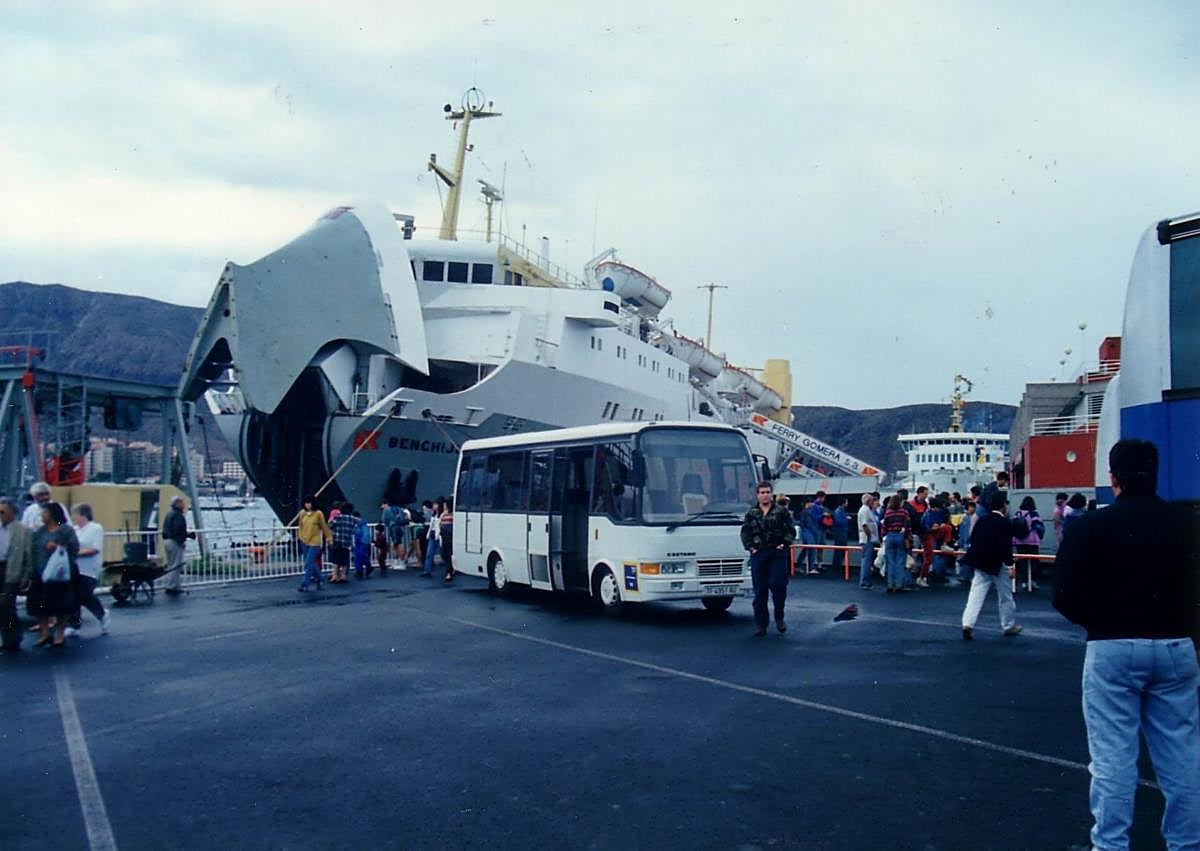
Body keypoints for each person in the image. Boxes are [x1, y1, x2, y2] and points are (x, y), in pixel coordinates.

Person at [1052, 439, 1200, 850]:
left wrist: (1099, 622)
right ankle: (1187, 844)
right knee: (1182, 755)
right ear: (1155, 473)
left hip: (1112, 646)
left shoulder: (1089, 526)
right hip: (1176, 645)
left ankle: (1111, 845)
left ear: (1113, 478)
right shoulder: (1187, 522)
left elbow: (1063, 594)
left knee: (1113, 758)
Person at [959, 489, 1021, 640]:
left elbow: (973, 539)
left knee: (976, 594)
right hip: (998, 564)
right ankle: (1008, 625)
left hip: (981, 562)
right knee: (1005, 596)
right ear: (1003, 507)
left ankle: (968, 623)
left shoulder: (982, 520)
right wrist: (1011, 565)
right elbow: (1005, 547)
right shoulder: (1005, 523)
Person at [741, 481, 796, 637]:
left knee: (777, 585)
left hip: (776, 553)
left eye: (767, 492)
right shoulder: (751, 513)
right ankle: (761, 625)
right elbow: (745, 532)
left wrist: (784, 544)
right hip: (759, 554)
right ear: (757, 495)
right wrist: (750, 547)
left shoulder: (781, 511)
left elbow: (790, 530)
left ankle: (779, 617)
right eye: (762, 492)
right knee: (760, 592)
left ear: (771, 494)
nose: (765, 495)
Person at [27, 502, 79, 648]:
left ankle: (59, 634)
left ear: (52, 514)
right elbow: (33, 550)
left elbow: (74, 549)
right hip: (41, 573)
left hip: (60, 575)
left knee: (61, 605)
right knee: (40, 605)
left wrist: (58, 547)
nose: (42, 516)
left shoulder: (66, 530)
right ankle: (44, 633)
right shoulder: (40, 532)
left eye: (45, 513)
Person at [1, 497, 34, 653]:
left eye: (3, 512)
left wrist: (25, 576)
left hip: (11, 570)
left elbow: (28, 555)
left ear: (12, 513)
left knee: (7, 605)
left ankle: (12, 639)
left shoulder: (23, 531)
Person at [69, 504, 109, 635]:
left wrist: (76, 553)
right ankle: (74, 625)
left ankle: (102, 614)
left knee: (85, 595)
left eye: (75, 514)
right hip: (75, 568)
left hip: (89, 568)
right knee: (74, 596)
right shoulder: (75, 530)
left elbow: (95, 548)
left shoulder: (95, 528)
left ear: (84, 515)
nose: (73, 517)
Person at [297, 495, 331, 592]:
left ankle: (305, 584)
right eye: (306, 503)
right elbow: (300, 526)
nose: (307, 505)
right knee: (311, 563)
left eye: (309, 503)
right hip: (304, 541)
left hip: (315, 542)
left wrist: (329, 537)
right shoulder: (302, 513)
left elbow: (324, 526)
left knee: (308, 563)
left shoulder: (318, 513)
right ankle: (320, 578)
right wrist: (299, 536)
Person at [162, 495, 194, 596]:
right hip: (174, 542)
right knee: (176, 565)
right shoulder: (177, 515)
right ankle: (172, 586)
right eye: (181, 502)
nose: (184, 504)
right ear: (177, 504)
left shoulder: (169, 514)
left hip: (168, 541)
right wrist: (184, 537)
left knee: (171, 564)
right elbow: (177, 530)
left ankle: (171, 584)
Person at [1011, 495, 1044, 592]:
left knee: (1022, 562)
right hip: (1032, 541)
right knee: (1033, 561)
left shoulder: (1018, 514)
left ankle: (1024, 582)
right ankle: (1032, 581)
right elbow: (1039, 527)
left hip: (1019, 541)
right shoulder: (1034, 514)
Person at [881, 495, 911, 593]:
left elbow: (884, 526)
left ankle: (890, 584)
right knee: (900, 561)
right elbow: (908, 526)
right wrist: (908, 537)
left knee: (890, 561)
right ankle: (899, 584)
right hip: (900, 536)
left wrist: (883, 536)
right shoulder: (904, 512)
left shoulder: (888, 512)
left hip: (890, 536)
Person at [906, 486, 933, 586]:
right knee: (912, 556)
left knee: (924, 556)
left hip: (923, 532)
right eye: (925, 494)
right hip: (914, 532)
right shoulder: (910, 505)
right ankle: (909, 577)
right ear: (919, 493)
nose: (926, 496)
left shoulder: (926, 505)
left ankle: (920, 576)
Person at [329, 501, 358, 583]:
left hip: (337, 541)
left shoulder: (338, 518)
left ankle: (335, 576)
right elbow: (356, 527)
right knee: (345, 560)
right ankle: (343, 575)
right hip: (347, 542)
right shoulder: (352, 519)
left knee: (336, 560)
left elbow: (330, 525)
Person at [857, 493, 879, 590]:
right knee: (867, 560)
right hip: (867, 539)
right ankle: (865, 582)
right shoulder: (865, 511)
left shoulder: (866, 510)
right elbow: (865, 525)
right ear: (868, 501)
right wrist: (869, 535)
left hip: (867, 538)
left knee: (867, 560)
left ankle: (865, 581)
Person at [422, 498, 444, 578]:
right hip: (432, 534)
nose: (434, 506)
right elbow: (431, 526)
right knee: (429, 553)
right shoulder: (433, 515)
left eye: (436, 504)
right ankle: (426, 571)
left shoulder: (442, 515)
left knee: (443, 553)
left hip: (439, 535)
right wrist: (428, 534)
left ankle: (450, 569)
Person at [352, 510, 372, 579]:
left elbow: (365, 534)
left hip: (361, 543)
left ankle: (360, 570)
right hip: (360, 543)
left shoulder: (360, 525)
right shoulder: (361, 524)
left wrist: (365, 542)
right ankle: (365, 568)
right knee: (361, 557)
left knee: (360, 557)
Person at [440, 496, 455, 581]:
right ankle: (451, 569)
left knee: (448, 554)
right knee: (445, 554)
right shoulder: (444, 514)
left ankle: (449, 572)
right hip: (445, 537)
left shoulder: (452, 515)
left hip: (449, 537)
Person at [831, 497, 850, 565]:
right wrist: (846, 519)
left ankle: (838, 565)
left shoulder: (842, 511)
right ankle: (836, 566)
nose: (847, 503)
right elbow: (838, 522)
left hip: (843, 533)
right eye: (846, 502)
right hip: (840, 534)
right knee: (839, 551)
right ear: (843, 503)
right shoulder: (838, 511)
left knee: (842, 551)